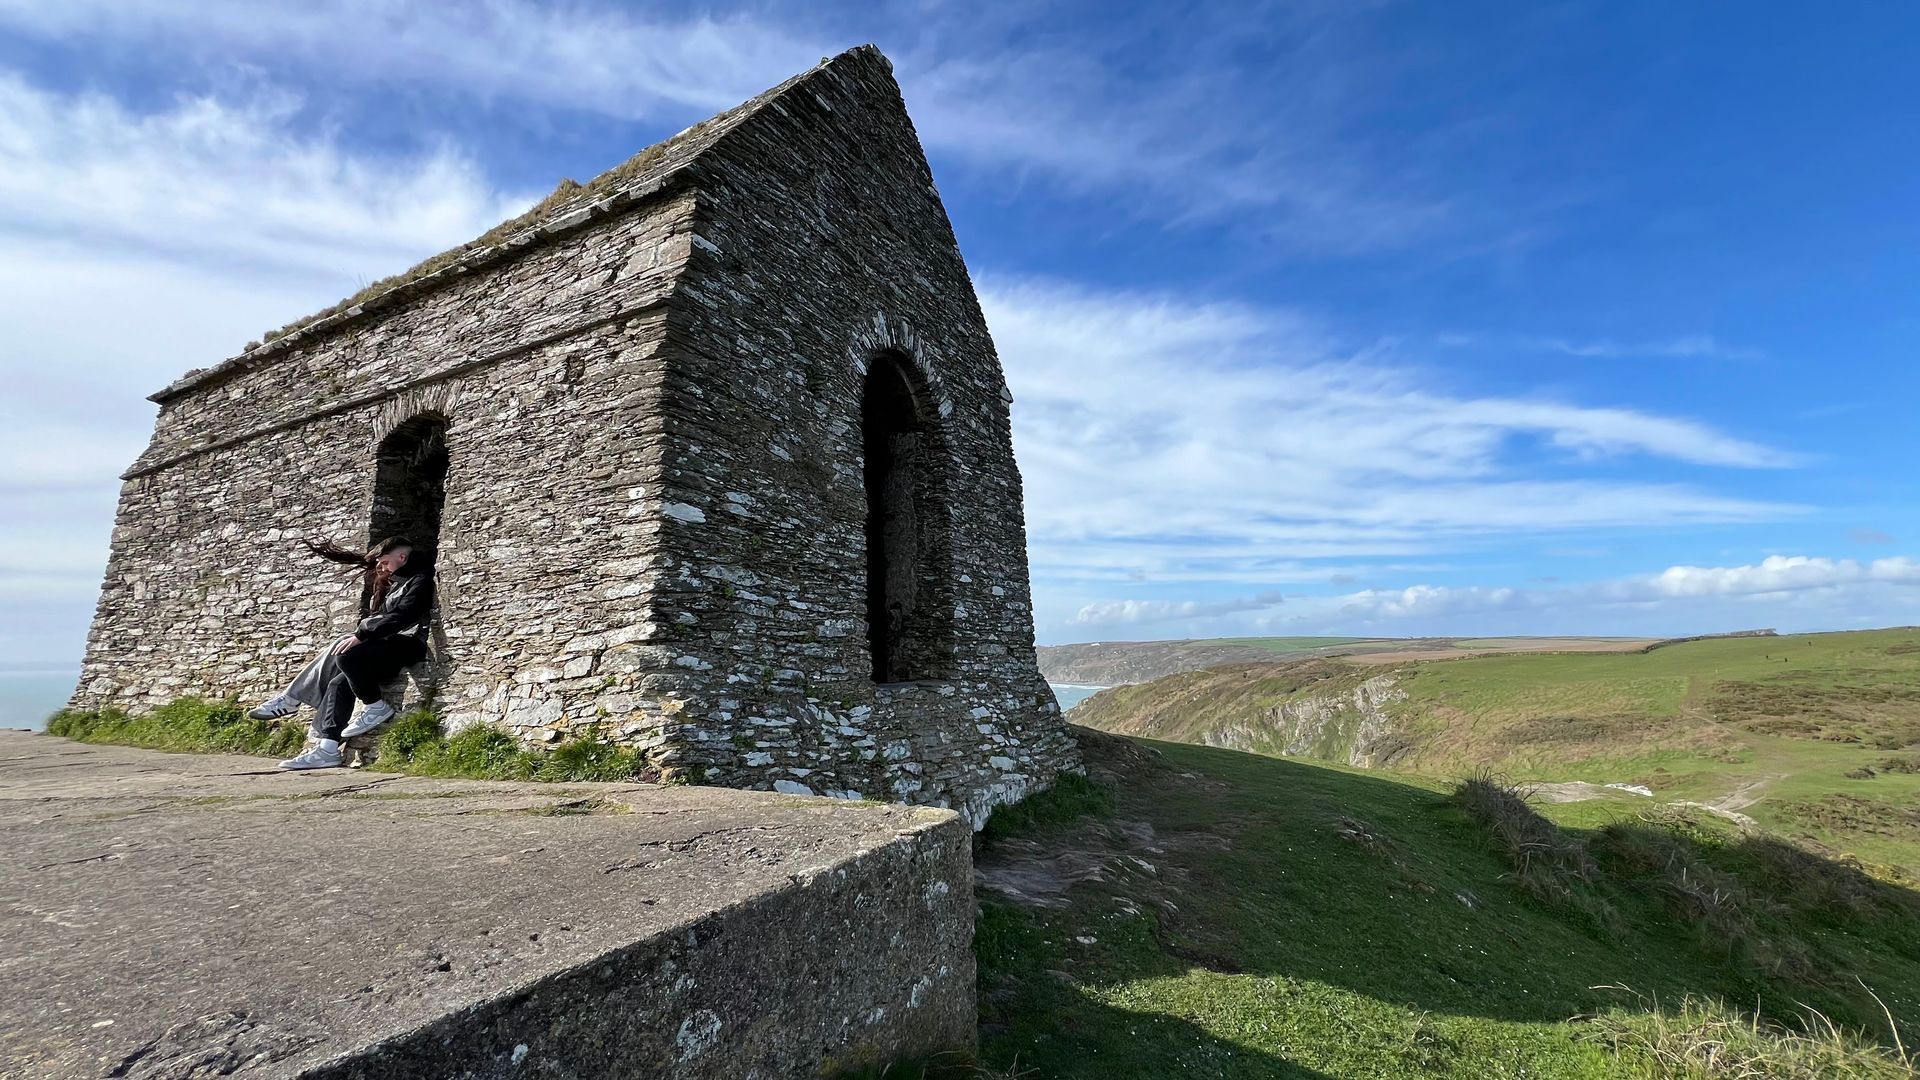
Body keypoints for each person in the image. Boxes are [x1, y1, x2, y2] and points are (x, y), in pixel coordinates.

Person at [249, 536, 437, 770]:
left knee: (345, 653)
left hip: (409, 645)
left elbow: (403, 617)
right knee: (339, 682)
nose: (383, 568)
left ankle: (370, 705)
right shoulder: (400, 582)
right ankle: (327, 749)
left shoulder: (421, 579)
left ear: (401, 557)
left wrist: (362, 633)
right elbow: (385, 617)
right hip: (390, 644)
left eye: (386, 562)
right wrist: (364, 632)